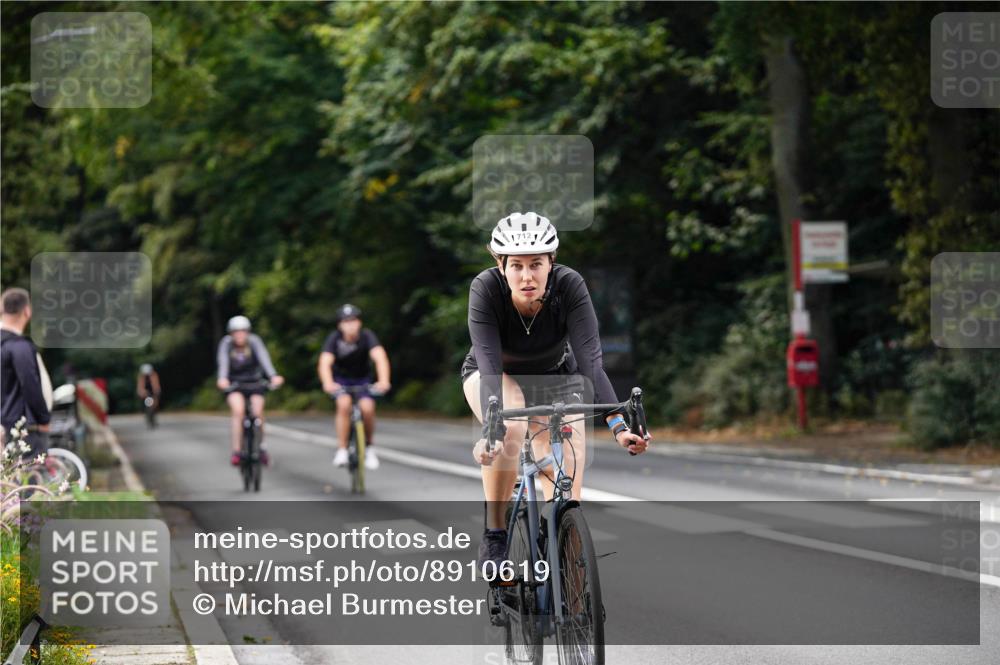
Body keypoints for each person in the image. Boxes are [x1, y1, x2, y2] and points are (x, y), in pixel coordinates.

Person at [461, 212, 650, 567]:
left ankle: (568, 591)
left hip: (557, 378)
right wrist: (493, 430)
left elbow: (592, 363)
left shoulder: (570, 286)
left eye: (536, 264)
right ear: (501, 266)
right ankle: (495, 533)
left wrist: (619, 426)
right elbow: (488, 364)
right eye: (516, 265)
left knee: (566, 500)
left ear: (552, 262)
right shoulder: (485, 289)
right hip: (494, 378)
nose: (527, 276)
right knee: (512, 427)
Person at [318, 304, 391, 470]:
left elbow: (380, 358)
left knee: (368, 408)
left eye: (353, 320)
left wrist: (384, 380)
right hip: (341, 381)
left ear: (359, 322)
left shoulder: (367, 336)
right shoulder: (334, 338)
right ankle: (342, 449)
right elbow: (325, 362)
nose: (350, 324)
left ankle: (370, 447)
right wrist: (328, 382)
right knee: (343, 404)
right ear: (340, 325)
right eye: (346, 321)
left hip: (362, 380)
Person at [216, 316, 284, 466]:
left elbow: (265, 360)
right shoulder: (226, 344)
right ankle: (237, 451)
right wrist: (222, 379)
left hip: (254, 383)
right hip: (234, 384)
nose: (240, 335)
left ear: (248, 332)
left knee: (258, 411)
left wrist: (273, 376)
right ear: (231, 333)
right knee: (238, 411)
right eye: (236, 332)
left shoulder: (254, 342)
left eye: (243, 332)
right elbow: (223, 364)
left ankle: (261, 447)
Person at [0, 288, 51, 456]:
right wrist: (43, 419)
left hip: (4, 428)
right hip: (18, 428)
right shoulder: (19, 347)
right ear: (27, 311)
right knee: (30, 478)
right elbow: (30, 385)